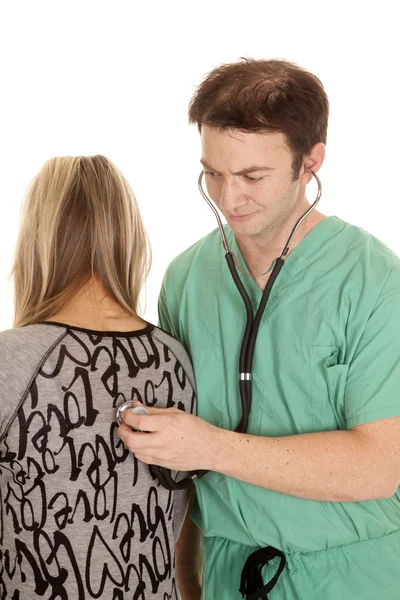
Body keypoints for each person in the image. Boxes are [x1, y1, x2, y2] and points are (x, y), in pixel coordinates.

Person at [117, 59, 400, 600]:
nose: (228, 198)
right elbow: (181, 476)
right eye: (213, 173)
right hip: (224, 575)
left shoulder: (377, 281)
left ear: (310, 163)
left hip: (351, 579)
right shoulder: (186, 278)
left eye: (252, 176)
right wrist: (186, 583)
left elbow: (377, 467)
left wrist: (210, 447)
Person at [0, 155, 196, 599]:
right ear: (128, 238)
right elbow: (177, 518)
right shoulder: (174, 359)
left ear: (38, 241)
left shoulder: (10, 360)